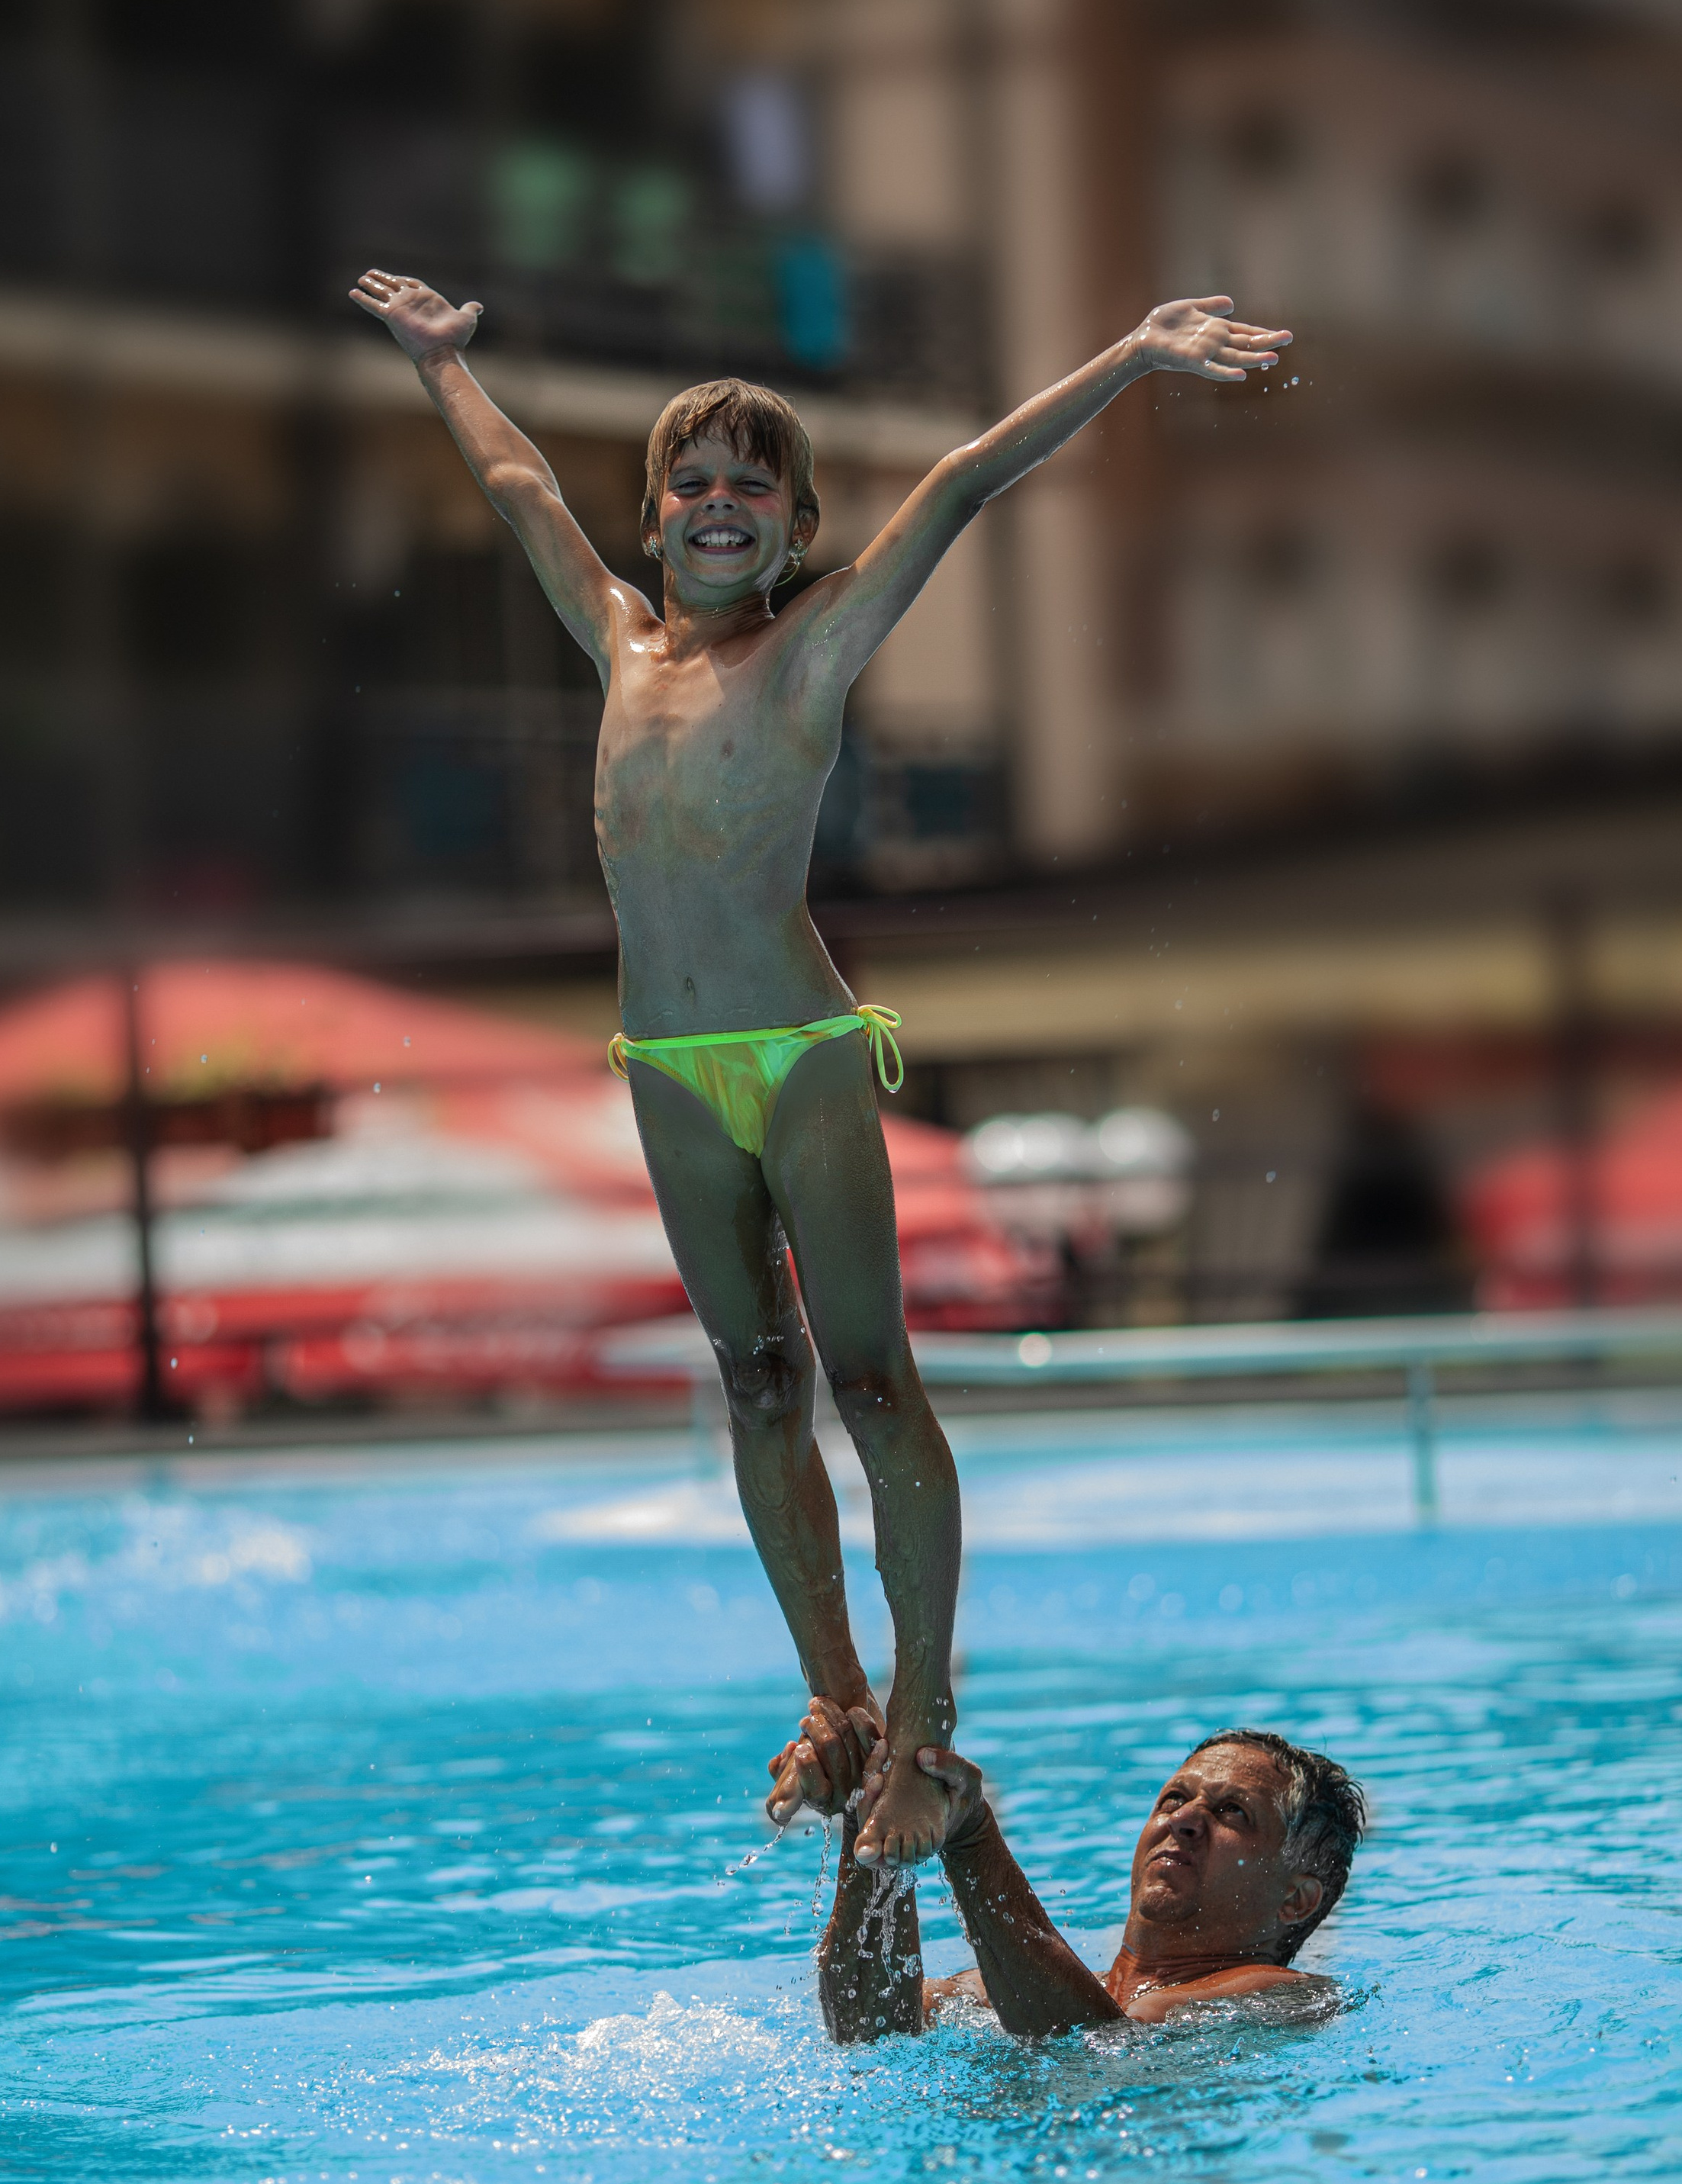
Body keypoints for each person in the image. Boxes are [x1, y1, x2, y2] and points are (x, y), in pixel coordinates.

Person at [349, 265, 1292, 1864]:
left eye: (751, 490)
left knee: (865, 1378)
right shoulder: (619, 645)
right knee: (754, 1379)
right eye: (691, 486)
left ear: (792, 532)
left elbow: (958, 479)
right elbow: (516, 488)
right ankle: (835, 1700)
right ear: (652, 522)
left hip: (795, 1051)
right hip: (663, 1063)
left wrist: (1128, 357)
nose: (719, 507)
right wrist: (444, 366)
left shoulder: (811, 651)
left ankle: (925, 1730)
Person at [766, 1699, 1365, 2041]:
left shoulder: (1290, 2001)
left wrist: (971, 1834)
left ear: (1296, 1900)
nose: (1184, 1821)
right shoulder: (997, 1987)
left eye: (1231, 1812)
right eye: (1173, 1799)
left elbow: (1087, 2048)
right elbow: (868, 2034)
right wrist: (868, 1812)